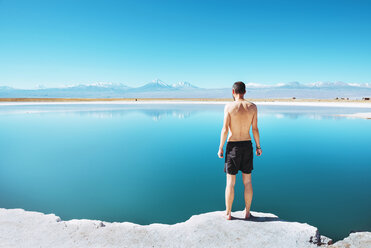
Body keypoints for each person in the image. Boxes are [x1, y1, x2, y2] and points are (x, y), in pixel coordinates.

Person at [217, 81, 262, 220]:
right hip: (247, 145)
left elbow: (225, 129)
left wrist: (220, 147)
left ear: (233, 92)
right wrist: (258, 146)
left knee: (230, 183)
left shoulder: (229, 107)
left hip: (233, 146)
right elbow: (255, 129)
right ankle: (247, 212)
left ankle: (228, 213)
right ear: (245, 92)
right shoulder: (253, 107)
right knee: (247, 181)